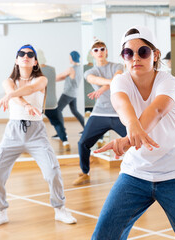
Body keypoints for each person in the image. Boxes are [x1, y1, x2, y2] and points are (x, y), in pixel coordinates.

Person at [91, 26, 175, 239]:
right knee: (104, 233)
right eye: (128, 53)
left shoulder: (167, 81)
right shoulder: (121, 81)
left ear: (155, 54)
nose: (135, 58)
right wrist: (132, 129)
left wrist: (128, 141)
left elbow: (156, 110)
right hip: (136, 172)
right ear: (123, 57)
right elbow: (122, 106)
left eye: (143, 52)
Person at [0, 44, 77, 228]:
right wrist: (25, 105)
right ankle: (0, 212)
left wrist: (12, 96)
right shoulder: (8, 81)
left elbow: (30, 89)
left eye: (30, 54)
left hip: (36, 133)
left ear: (35, 61)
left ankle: (60, 209)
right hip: (13, 132)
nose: (25, 56)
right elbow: (13, 93)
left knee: (52, 171)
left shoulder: (41, 79)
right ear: (16, 59)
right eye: (21, 53)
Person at [74, 40, 126, 185]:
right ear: (92, 54)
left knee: (136, 140)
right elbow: (96, 79)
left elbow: (117, 78)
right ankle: (85, 173)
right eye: (96, 50)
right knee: (83, 143)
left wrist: (102, 88)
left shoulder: (117, 66)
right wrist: (109, 84)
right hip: (99, 114)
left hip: (119, 112)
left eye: (102, 49)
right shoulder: (89, 72)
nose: (99, 52)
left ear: (106, 51)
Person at [36, 49, 70, 151]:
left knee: (32, 123)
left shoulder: (35, 71)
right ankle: (65, 141)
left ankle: (30, 144)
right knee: (57, 123)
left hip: (39, 103)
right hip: (52, 103)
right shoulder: (52, 69)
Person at [56, 51, 85, 134]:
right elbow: (64, 77)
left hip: (68, 93)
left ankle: (62, 132)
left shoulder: (71, 69)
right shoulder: (79, 68)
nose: (69, 58)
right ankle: (86, 129)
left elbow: (61, 75)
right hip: (74, 93)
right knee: (75, 111)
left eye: (69, 57)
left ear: (72, 57)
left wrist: (49, 78)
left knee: (58, 110)